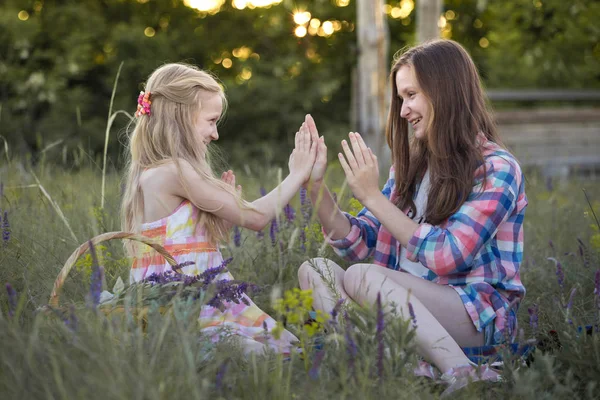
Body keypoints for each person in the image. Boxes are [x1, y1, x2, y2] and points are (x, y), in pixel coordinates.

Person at [298, 40, 527, 390]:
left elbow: (448, 256)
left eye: (411, 95)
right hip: (407, 308)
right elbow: (361, 247)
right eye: (401, 98)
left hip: (473, 315)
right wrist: (316, 187)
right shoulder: (412, 170)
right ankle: (375, 365)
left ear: (445, 92)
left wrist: (373, 197)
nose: (403, 110)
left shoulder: (496, 169)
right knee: (315, 269)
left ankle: (463, 373)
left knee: (362, 278)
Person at [120, 63, 317, 354]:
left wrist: (219, 223)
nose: (215, 134)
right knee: (281, 356)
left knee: (288, 349)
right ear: (183, 118)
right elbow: (258, 218)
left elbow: (183, 246)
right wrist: (297, 174)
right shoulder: (174, 172)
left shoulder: (154, 172)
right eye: (211, 121)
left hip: (203, 302)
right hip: (187, 313)